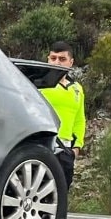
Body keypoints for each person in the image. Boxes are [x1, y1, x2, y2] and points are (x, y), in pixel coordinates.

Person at [40, 41, 85, 190]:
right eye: (53, 58)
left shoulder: (77, 89)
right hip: (43, 144)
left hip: (65, 149)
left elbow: (79, 119)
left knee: (61, 192)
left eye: (62, 59)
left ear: (71, 62)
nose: (57, 62)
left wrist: (76, 147)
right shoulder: (39, 84)